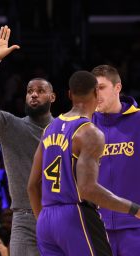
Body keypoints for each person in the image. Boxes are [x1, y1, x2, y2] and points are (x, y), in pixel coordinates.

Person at [27, 70, 140, 255]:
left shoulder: (49, 128)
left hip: (46, 219)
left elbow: (32, 185)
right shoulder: (89, 131)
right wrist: (134, 209)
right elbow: (87, 189)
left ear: (69, 94)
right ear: (96, 92)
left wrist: (43, 222)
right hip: (74, 214)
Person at [0, 25, 55, 255]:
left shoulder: (65, 129)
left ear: (52, 97)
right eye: (29, 90)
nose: (33, 94)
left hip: (59, 215)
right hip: (24, 220)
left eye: (40, 90)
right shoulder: (11, 126)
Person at [91, 65, 140, 256]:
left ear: (117, 88)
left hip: (135, 225)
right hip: (96, 227)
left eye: (101, 87)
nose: (97, 94)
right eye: (93, 89)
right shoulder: (83, 126)